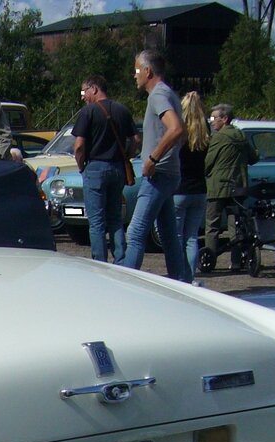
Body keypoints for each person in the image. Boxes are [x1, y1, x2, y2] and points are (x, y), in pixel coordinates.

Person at [122, 50, 188, 282]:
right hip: (169, 173)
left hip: (158, 174)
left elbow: (176, 128)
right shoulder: (169, 93)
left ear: (148, 71)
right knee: (169, 235)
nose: (135, 75)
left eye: (137, 70)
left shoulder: (158, 95)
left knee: (136, 232)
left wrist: (153, 158)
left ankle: (125, 286)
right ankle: (182, 282)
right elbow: (181, 133)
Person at [71, 75, 138, 264]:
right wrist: (126, 156)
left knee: (97, 221)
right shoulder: (122, 110)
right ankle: (121, 260)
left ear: (94, 88)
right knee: (115, 217)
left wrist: (81, 165)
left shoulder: (88, 112)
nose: (83, 96)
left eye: (84, 91)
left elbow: (78, 146)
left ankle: (99, 263)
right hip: (117, 167)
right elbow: (135, 140)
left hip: (95, 167)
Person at [204, 103, 260, 272]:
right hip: (238, 186)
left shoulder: (218, 138)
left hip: (218, 187)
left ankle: (210, 259)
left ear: (225, 119)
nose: (212, 121)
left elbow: (208, 161)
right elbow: (253, 158)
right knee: (235, 225)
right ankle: (236, 262)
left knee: (212, 225)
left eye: (215, 118)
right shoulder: (241, 136)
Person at [173, 92, 210, 279]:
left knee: (177, 237)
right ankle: (190, 277)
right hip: (200, 189)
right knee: (192, 237)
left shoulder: (179, 131)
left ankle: (179, 276)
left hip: (180, 188)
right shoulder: (205, 131)